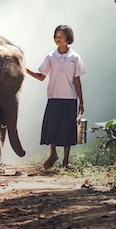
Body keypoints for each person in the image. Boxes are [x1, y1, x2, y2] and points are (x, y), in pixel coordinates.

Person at [26, 25, 86, 169]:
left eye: (61, 36)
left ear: (68, 38)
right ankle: (53, 155)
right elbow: (41, 76)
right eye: (56, 36)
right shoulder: (51, 56)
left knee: (67, 129)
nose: (58, 39)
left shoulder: (75, 57)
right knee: (52, 127)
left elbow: (77, 79)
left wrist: (81, 101)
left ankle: (66, 161)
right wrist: (26, 70)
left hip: (70, 98)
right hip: (53, 97)